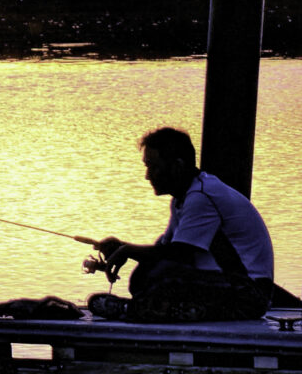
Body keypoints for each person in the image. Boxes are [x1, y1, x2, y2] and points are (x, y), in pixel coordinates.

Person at [86, 127, 285, 322]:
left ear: (177, 166)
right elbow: (164, 250)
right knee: (144, 275)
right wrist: (121, 248)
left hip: (249, 294)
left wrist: (128, 251)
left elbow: (181, 254)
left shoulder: (202, 196)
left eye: (154, 167)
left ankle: (135, 310)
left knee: (165, 276)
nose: (148, 175)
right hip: (228, 285)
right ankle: (159, 309)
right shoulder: (185, 197)